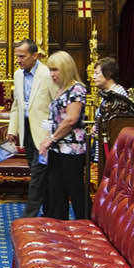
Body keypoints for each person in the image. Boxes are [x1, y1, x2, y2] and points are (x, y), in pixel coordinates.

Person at [5, 37, 59, 218]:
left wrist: (53, 134)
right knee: (38, 173)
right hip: (27, 130)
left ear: (35, 55)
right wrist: (13, 130)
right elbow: (16, 105)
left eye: (22, 56)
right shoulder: (18, 74)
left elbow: (57, 104)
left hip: (45, 133)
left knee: (37, 173)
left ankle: (29, 216)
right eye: (17, 56)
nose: (18, 60)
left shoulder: (48, 74)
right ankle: (50, 212)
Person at [37, 52, 91, 220]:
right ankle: (58, 227)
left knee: (75, 190)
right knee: (56, 190)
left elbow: (71, 119)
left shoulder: (77, 88)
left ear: (66, 69)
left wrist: (51, 139)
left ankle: (86, 225)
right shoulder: (61, 89)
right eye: (50, 70)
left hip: (72, 150)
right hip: (57, 148)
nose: (52, 74)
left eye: (55, 70)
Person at [91, 56, 130, 162]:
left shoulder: (118, 95)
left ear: (108, 74)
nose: (93, 77)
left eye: (97, 73)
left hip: (112, 150)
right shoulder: (108, 94)